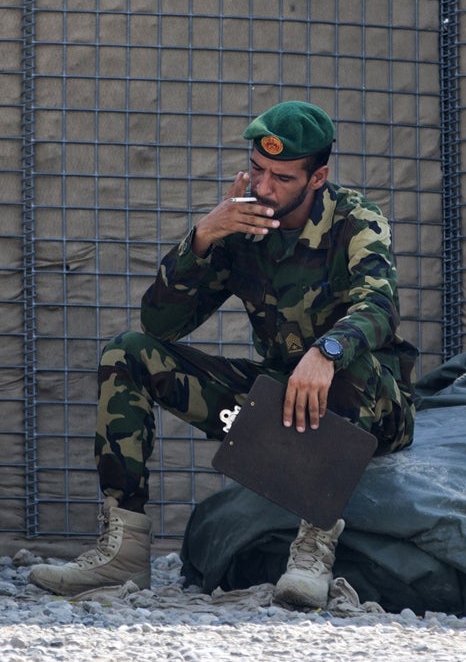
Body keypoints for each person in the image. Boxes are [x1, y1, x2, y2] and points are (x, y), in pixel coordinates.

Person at [29, 101, 417, 609]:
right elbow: (161, 325)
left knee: (349, 364)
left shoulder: (356, 220)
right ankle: (123, 549)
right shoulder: (241, 226)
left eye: (281, 176)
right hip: (277, 409)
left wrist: (328, 351)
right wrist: (204, 237)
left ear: (317, 177)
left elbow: (380, 303)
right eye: (257, 169)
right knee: (127, 354)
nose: (263, 186)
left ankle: (312, 551)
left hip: (371, 407)